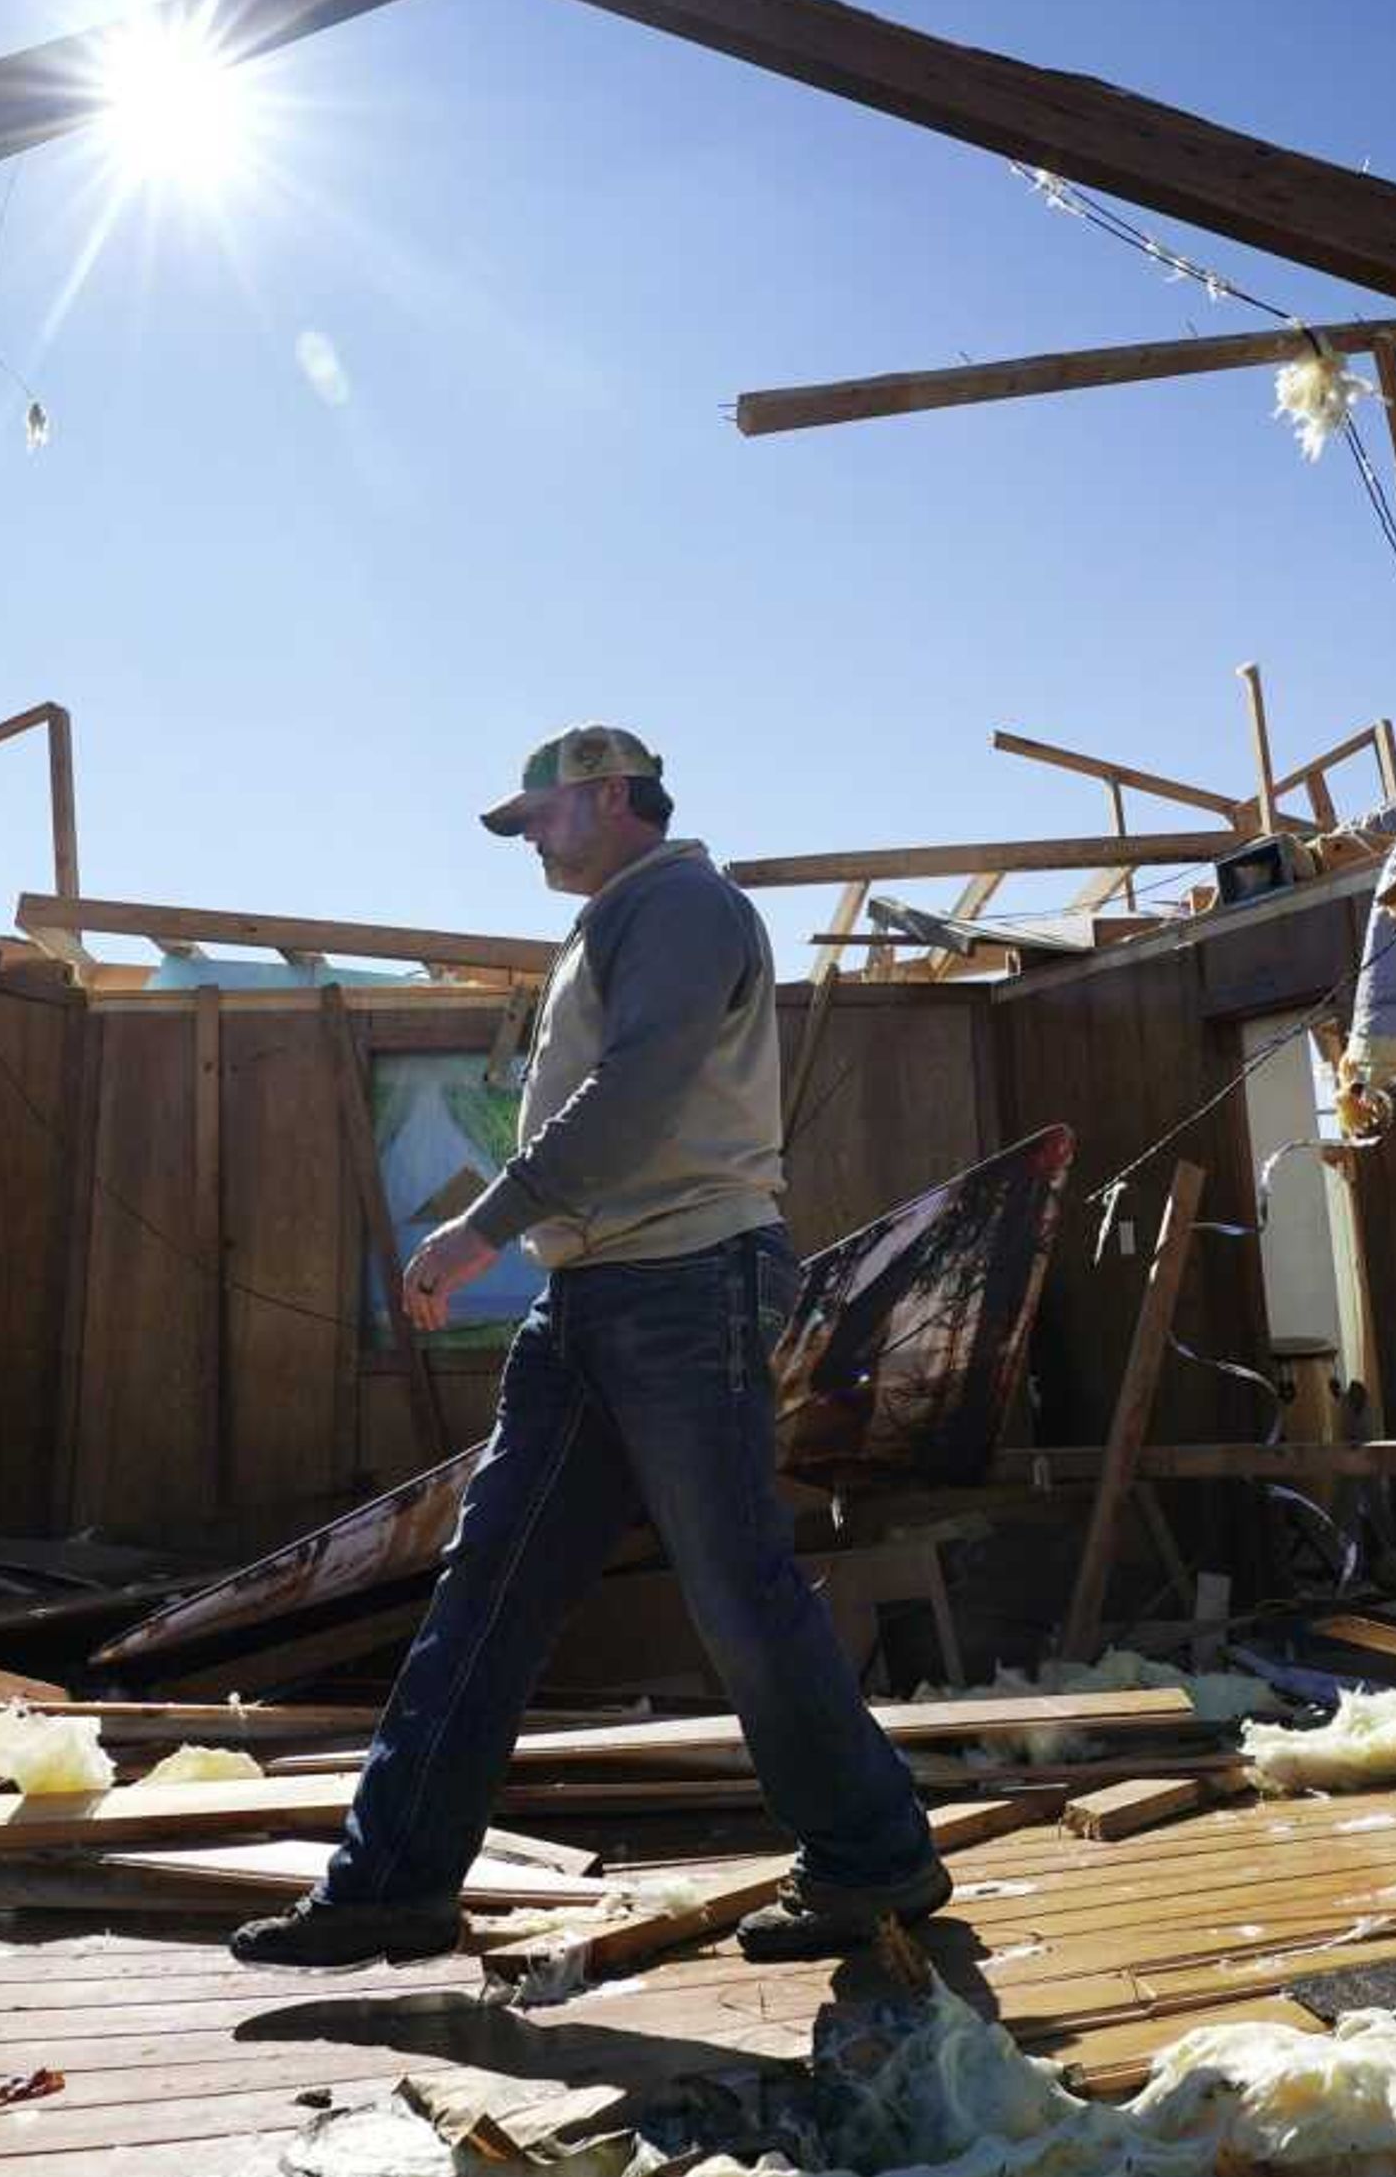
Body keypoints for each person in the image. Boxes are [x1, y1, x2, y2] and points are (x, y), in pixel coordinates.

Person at [229, 725, 950, 1968]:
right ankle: (391, 1882)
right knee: (490, 1586)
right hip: (593, 1296)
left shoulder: (681, 905)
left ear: (612, 795)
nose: (531, 844)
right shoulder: (613, 918)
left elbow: (638, 1092)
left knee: (735, 1583)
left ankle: (872, 1856)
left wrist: (478, 1229)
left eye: (543, 818)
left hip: (687, 1282)